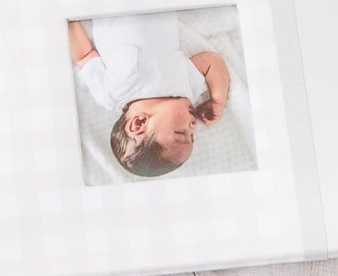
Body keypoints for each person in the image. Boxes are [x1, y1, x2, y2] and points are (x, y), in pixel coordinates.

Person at [68, 12, 230, 177]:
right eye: (192, 136)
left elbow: (84, 56)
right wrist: (217, 101)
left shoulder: (110, 95)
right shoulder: (186, 90)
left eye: (181, 133)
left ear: (139, 123)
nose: (193, 126)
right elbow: (212, 62)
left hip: (110, 6)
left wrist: (71, 22)